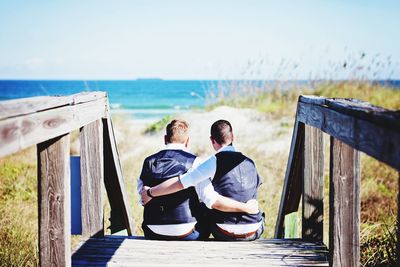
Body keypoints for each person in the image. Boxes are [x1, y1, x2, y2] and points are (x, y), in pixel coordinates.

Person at [141, 119, 264, 241]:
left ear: (212, 140)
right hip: (254, 229)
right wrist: (247, 208)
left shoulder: (211, 162)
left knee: (206, 205)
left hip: (223, 231)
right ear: (232, 136)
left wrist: (150, 192)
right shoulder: (250, 162)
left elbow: (183, 183)